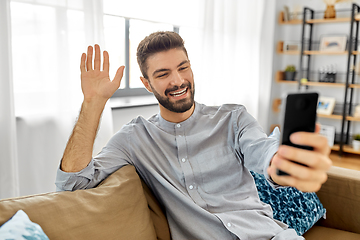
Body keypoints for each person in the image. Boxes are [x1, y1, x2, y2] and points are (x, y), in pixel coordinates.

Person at [56, 31, 332, 240]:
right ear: (146, 83)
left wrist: (283, 163)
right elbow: (72, 184)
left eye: (183, 67)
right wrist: (93, 103)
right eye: (163, 74)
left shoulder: (233, 118)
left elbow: (263, 151)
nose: (177, 81)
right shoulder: (134, 138)